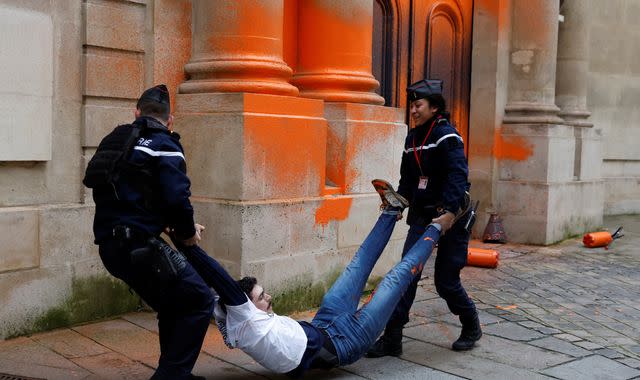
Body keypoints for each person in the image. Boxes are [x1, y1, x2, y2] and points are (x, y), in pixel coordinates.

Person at [173, 181, 442, 378]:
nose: (269, 298)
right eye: (261, 298)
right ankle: (439, 226)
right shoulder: (245, 322)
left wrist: (176, 238)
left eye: (264, 293)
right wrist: (188, 244)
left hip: (325, 320)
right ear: (245, 306)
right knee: (396, 279)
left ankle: (391, 211)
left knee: (358, 264)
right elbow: (217, 276)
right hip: (348, 342)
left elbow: (205, 283)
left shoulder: (228, 313)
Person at [84, 85, 213, 380]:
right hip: (140, 248)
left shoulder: (116, 141)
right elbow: (177, 199)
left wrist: (167, 223)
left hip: (110, 247)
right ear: (170, 120)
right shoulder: (164, 144)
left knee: (172, 303)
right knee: (199, 300)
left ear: (136, 113)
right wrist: (186, 232)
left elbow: (132, 194)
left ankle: (174, 371)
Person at [366, 79, 481, 357]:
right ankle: (393, 339)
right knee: (406, 276)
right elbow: (408, 180)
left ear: (434, 107)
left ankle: (471, 325)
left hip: (452, 216)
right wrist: (398, 204)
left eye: (418, 105)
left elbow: (457, 177)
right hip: (422, 217)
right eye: (412, 106)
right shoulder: (412, 139)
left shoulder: (447, 136)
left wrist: (449, 214)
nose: (413, 111)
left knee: (445, 281)